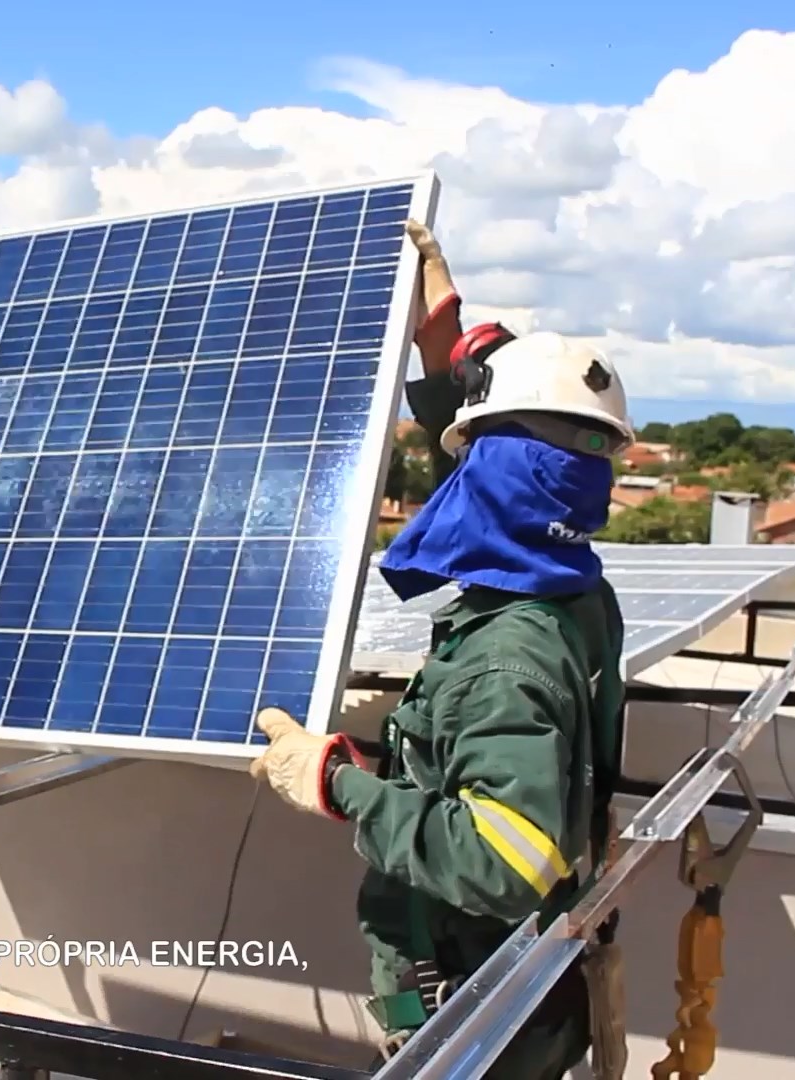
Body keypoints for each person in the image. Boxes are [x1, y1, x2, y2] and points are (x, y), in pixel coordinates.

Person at [249, 219, 633, 1079]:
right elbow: (519, 462)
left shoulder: (506, 657)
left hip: (469, 1014)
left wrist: (334, 783)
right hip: (531, 986)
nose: (451, 472)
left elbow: (500, 861)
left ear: (493, 471)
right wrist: (447, 339)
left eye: (469, 455)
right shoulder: (576, 589)